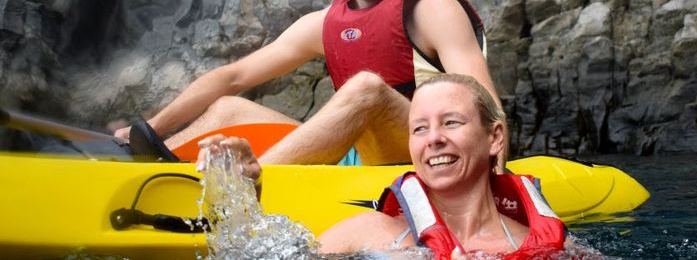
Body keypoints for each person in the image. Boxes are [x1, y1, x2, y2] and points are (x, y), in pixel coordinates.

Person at [114, 0, 501, 166]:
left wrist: (497, 182)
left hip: (425, 151)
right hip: (355, 159)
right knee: (228, 107)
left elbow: (485, 105)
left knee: (367, 89)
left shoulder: (431, 8)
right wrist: (149, 129)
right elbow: (234, 75)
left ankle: (249, 184)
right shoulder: (323, 24)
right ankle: (139, 165)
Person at [198, 74, 566, 258]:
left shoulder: (546, 248)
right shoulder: (368, 233)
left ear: (495, 138)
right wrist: (245, 195)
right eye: (419, 128)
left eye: (451, 122)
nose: (433, 138)